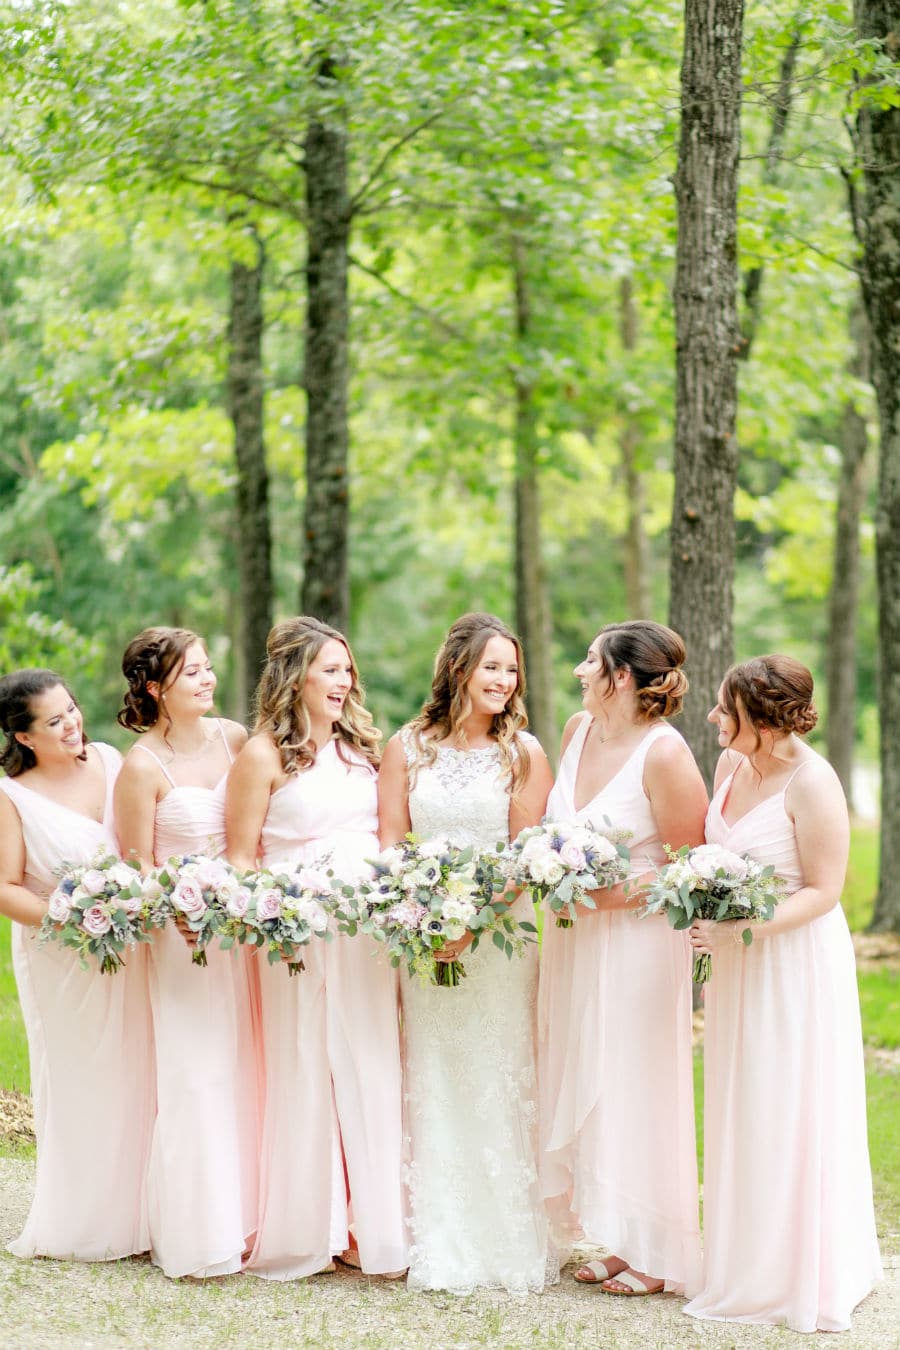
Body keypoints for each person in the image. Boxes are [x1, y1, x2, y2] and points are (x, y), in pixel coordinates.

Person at [684, 655, 882, 1332]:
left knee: (790, 1101)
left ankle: (802, 1268)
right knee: (743, 1101)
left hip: (793, 962)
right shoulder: (730, 768)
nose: (713, 717)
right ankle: (746, 1259)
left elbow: (824, 892)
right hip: (740, 966)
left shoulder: (814, 783)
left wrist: (746, 930)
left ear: (762, 720)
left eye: (724, 709)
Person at [378, 611, 556, 1294]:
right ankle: (438, 1226)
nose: (504, 681)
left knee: (499, 1068)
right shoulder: (407, 747)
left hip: (501, 937)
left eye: (511, 670)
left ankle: (506, 1233)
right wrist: (422, 916)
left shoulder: (523, 753)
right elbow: (392, 838)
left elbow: (522, 852)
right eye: (492, 667)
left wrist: (472, 921)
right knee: (434, 1068)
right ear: (458, 668)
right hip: (423, 934)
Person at [226, 616, 407, 1280]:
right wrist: (284, 912)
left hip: (363, 935)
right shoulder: (262, 755)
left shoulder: (366, 746)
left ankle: (374, 1225)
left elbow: (391, 839)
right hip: (296, 936)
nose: (346, 680)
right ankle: (313, 1225)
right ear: (296, 677)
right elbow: (241, 860)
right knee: (306, 1067)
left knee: (371, 1066)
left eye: (347, 669)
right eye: (331, 669)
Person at [538, 620, 707, 1297]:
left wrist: (605, 897)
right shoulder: (578, 733)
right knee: (589, 1071)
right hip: (575, 941)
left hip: (636, 942)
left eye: (590, 661)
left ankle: (662, 1248)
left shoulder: (664, 754)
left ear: (624, 678)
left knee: (636, 1078)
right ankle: (618, 1232)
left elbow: (691, 867)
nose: (580, 671)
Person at [114, 627, 258, 1280]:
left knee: (246, 1068)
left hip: (245, 934)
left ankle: (252, 1220)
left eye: (206, 667)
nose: (207, 678)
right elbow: (135, 868)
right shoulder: (141, 766)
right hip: (183, 942)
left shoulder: (236, 739)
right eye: (190, 672)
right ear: (155, 688)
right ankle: (198, 1233)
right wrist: (180, 907)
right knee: (195, 1074)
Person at [0, 667, 154, 1260]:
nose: (72, 725)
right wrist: (70, 916)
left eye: (72, 710)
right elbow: (6, 887)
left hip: (131, 948)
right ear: (24, 738)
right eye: (54, 721)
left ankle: (141, 1215)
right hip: (59, 958)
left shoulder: (113, 763)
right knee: (80, 1078)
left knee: (137, 1069)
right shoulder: (13, 797)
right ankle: (83, 1219)